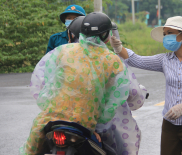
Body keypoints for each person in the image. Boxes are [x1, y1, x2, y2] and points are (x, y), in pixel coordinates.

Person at [29, 16, 147, 155]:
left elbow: (41, 81)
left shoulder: (61, 51)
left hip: (53, 118)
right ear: (107, 36)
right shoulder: (112, 60)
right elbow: (121, 95)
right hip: (89, 123)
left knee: (33, 147)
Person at [110, 16, 182, 155]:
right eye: (165, 34)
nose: (166, 37)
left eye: (170, 33)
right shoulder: (165, 60)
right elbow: (136, 60)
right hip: (170, 124)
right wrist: (119, 48)